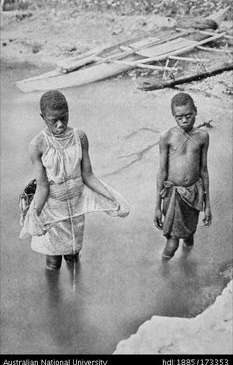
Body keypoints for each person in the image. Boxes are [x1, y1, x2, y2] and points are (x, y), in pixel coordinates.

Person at [20, 90, 129, 270]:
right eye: (53, 120)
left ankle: (75, 294)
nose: (60, 125)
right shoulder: (37, 145)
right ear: (43, 117)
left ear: (69, 112)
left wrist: (111, 197)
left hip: (75, 208)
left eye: (64, 117)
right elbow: (43, 186)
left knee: (73, 254)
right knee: (53, 261)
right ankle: (54, 296)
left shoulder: (80, 137)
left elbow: (88, 175)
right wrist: (35, 214)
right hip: (52, 210)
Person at [154, 92, 212, 260]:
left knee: (189, 235)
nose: (185, 120)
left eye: (188, 115)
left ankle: (186, 266)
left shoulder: (202, 137)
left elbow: (204, 171)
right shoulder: (167, 137)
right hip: (174, 196)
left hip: (194, 195)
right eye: (179, 117)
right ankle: (163, 270)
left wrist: (207, 205)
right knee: (172, 243)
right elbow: (162, 172)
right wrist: (157, 206)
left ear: (195, 111)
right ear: (174, 116)